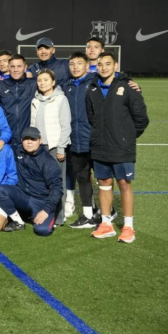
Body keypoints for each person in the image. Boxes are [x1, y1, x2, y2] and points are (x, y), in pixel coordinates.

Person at [88, 52, 149, 244]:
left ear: (116, 66)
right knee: (104, 184)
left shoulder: (128, 87)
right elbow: (92, 117)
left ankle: (128, 227)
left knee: (124, 184)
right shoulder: (92, 88)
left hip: (122, 148)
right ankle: (106, 224)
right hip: (100, 146)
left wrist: (126, 137)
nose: (103, 67)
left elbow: (141, 118)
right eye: (100, 64)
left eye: (108, 64)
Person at [0, 127, 62, 236]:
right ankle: (18, 221)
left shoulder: (48, 162)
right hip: (23, 196)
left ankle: (38, 215)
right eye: (26, 139)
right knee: (0, 190)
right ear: (21, 140)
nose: (29, 142)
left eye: (33, 139)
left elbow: (57, 188)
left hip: (41, 201)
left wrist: (46, 210)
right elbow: (0, 146)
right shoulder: (18, 150)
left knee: (43, 230)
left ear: (40, 140)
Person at [30, 68, 71, 224]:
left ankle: (59, 217)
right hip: (40, 149)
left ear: (53, 82)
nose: (42, 83)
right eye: (39, 80)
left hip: (54, 148)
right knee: (42, 182)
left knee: (58, 183)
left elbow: (65, 126)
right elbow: (33, 126)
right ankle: (44, 214)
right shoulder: (35, 101)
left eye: (46, 80)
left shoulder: (61, 99)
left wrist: (61, 148)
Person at [64, 52, 99, 228]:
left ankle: (107, 213)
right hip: (76, 141)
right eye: (72, 63)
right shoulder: (67, 86)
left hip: (95, 140)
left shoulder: (95, 81)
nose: (75, 67)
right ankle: (88, 215)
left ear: (87, 66)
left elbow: (117, 79)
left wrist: (127, 80)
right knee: (83, 177)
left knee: (104, 179)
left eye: (79, 63)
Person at [0, 54, 37, 146]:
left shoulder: (34, 84)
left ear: (25, 67)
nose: (15, 70)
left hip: (28, 139)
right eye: (12, 66)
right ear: (8, 67)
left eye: (19, 66)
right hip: (6, 140)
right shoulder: (1, 85)